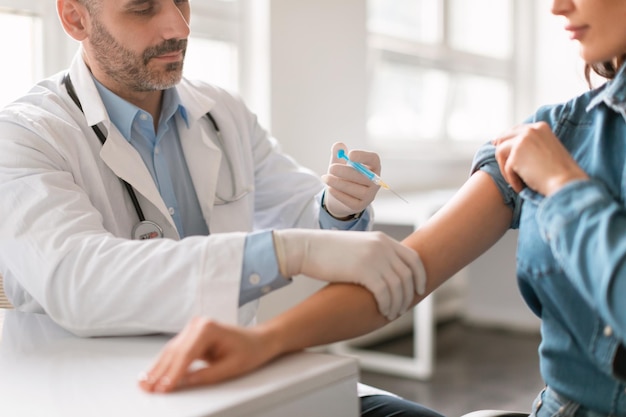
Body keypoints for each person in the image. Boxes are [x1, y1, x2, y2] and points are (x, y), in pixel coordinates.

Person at [138, 1, 626, 416]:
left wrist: (564, 188)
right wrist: (263, 341)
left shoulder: (553, 159)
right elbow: (405, 271)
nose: (558, 5)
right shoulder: (556, 133)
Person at [0, 0, 433, 415]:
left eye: (181, 1)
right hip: (102, 394)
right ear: (76, 19)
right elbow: (78, 279)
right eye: (143, 7)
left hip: (236, 372)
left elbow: (300, 205)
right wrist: (290, 252)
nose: (179, 28)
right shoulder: (25, 135)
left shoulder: (222, 113)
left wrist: (338, 206)